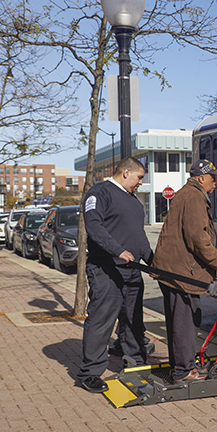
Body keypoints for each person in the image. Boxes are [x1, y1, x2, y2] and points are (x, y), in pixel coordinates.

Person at [77, 157, 153, 393]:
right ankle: (90, 372)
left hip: (132, 272)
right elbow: (94, 226)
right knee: (101, 321)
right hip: (106, 270)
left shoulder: (134, 202)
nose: (141, 183)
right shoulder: (100, 193)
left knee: (133, 321)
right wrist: (118, 250)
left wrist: (153, 261)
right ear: (126, 172)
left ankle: (135, 363)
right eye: (139, 177)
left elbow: (139, 236)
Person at [152, 159, 217, 382]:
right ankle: (183, 371)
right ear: (201, 178)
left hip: (174, 269)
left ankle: (181, 367)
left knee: (179, 320)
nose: (215, 183)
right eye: (213, 178)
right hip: (182, 272)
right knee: (186, 322)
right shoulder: (195, 196)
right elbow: (198, 237)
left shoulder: (186, 193)